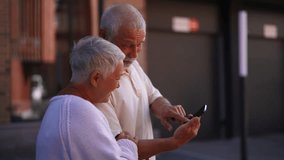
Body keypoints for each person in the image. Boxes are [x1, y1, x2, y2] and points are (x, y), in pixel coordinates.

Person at [96, 4, 201, 160]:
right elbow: (120, 147)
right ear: (103, 35)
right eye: (127, 45)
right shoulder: (97, 82)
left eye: (140, 44)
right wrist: (175, 142)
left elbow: (153, 97)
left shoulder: (132, 65)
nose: (135, 53)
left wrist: (166, 109)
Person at [36, 36, 138, 160]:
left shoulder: (56, 107)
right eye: (117, 78)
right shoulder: (81, 112)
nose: (118, 85)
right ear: (95, 78)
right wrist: (128, 143)